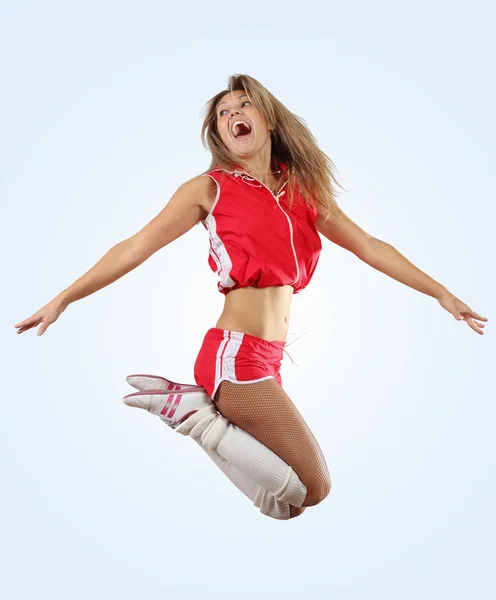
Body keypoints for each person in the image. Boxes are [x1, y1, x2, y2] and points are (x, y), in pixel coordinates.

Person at [15, 74, 488, 520]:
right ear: (219, 133)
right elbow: (136, 246)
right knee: (314, 487)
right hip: (233, 353)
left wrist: (441, 294)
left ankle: (194, 414)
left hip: (269, 358)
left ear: (268, 120)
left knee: (282, 504)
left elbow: (370, 246)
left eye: (245, 105)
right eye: (223, 112)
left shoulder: (301, 192)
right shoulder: (209, 188)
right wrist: (64, 297)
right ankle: (195, 417)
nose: (233, 114)